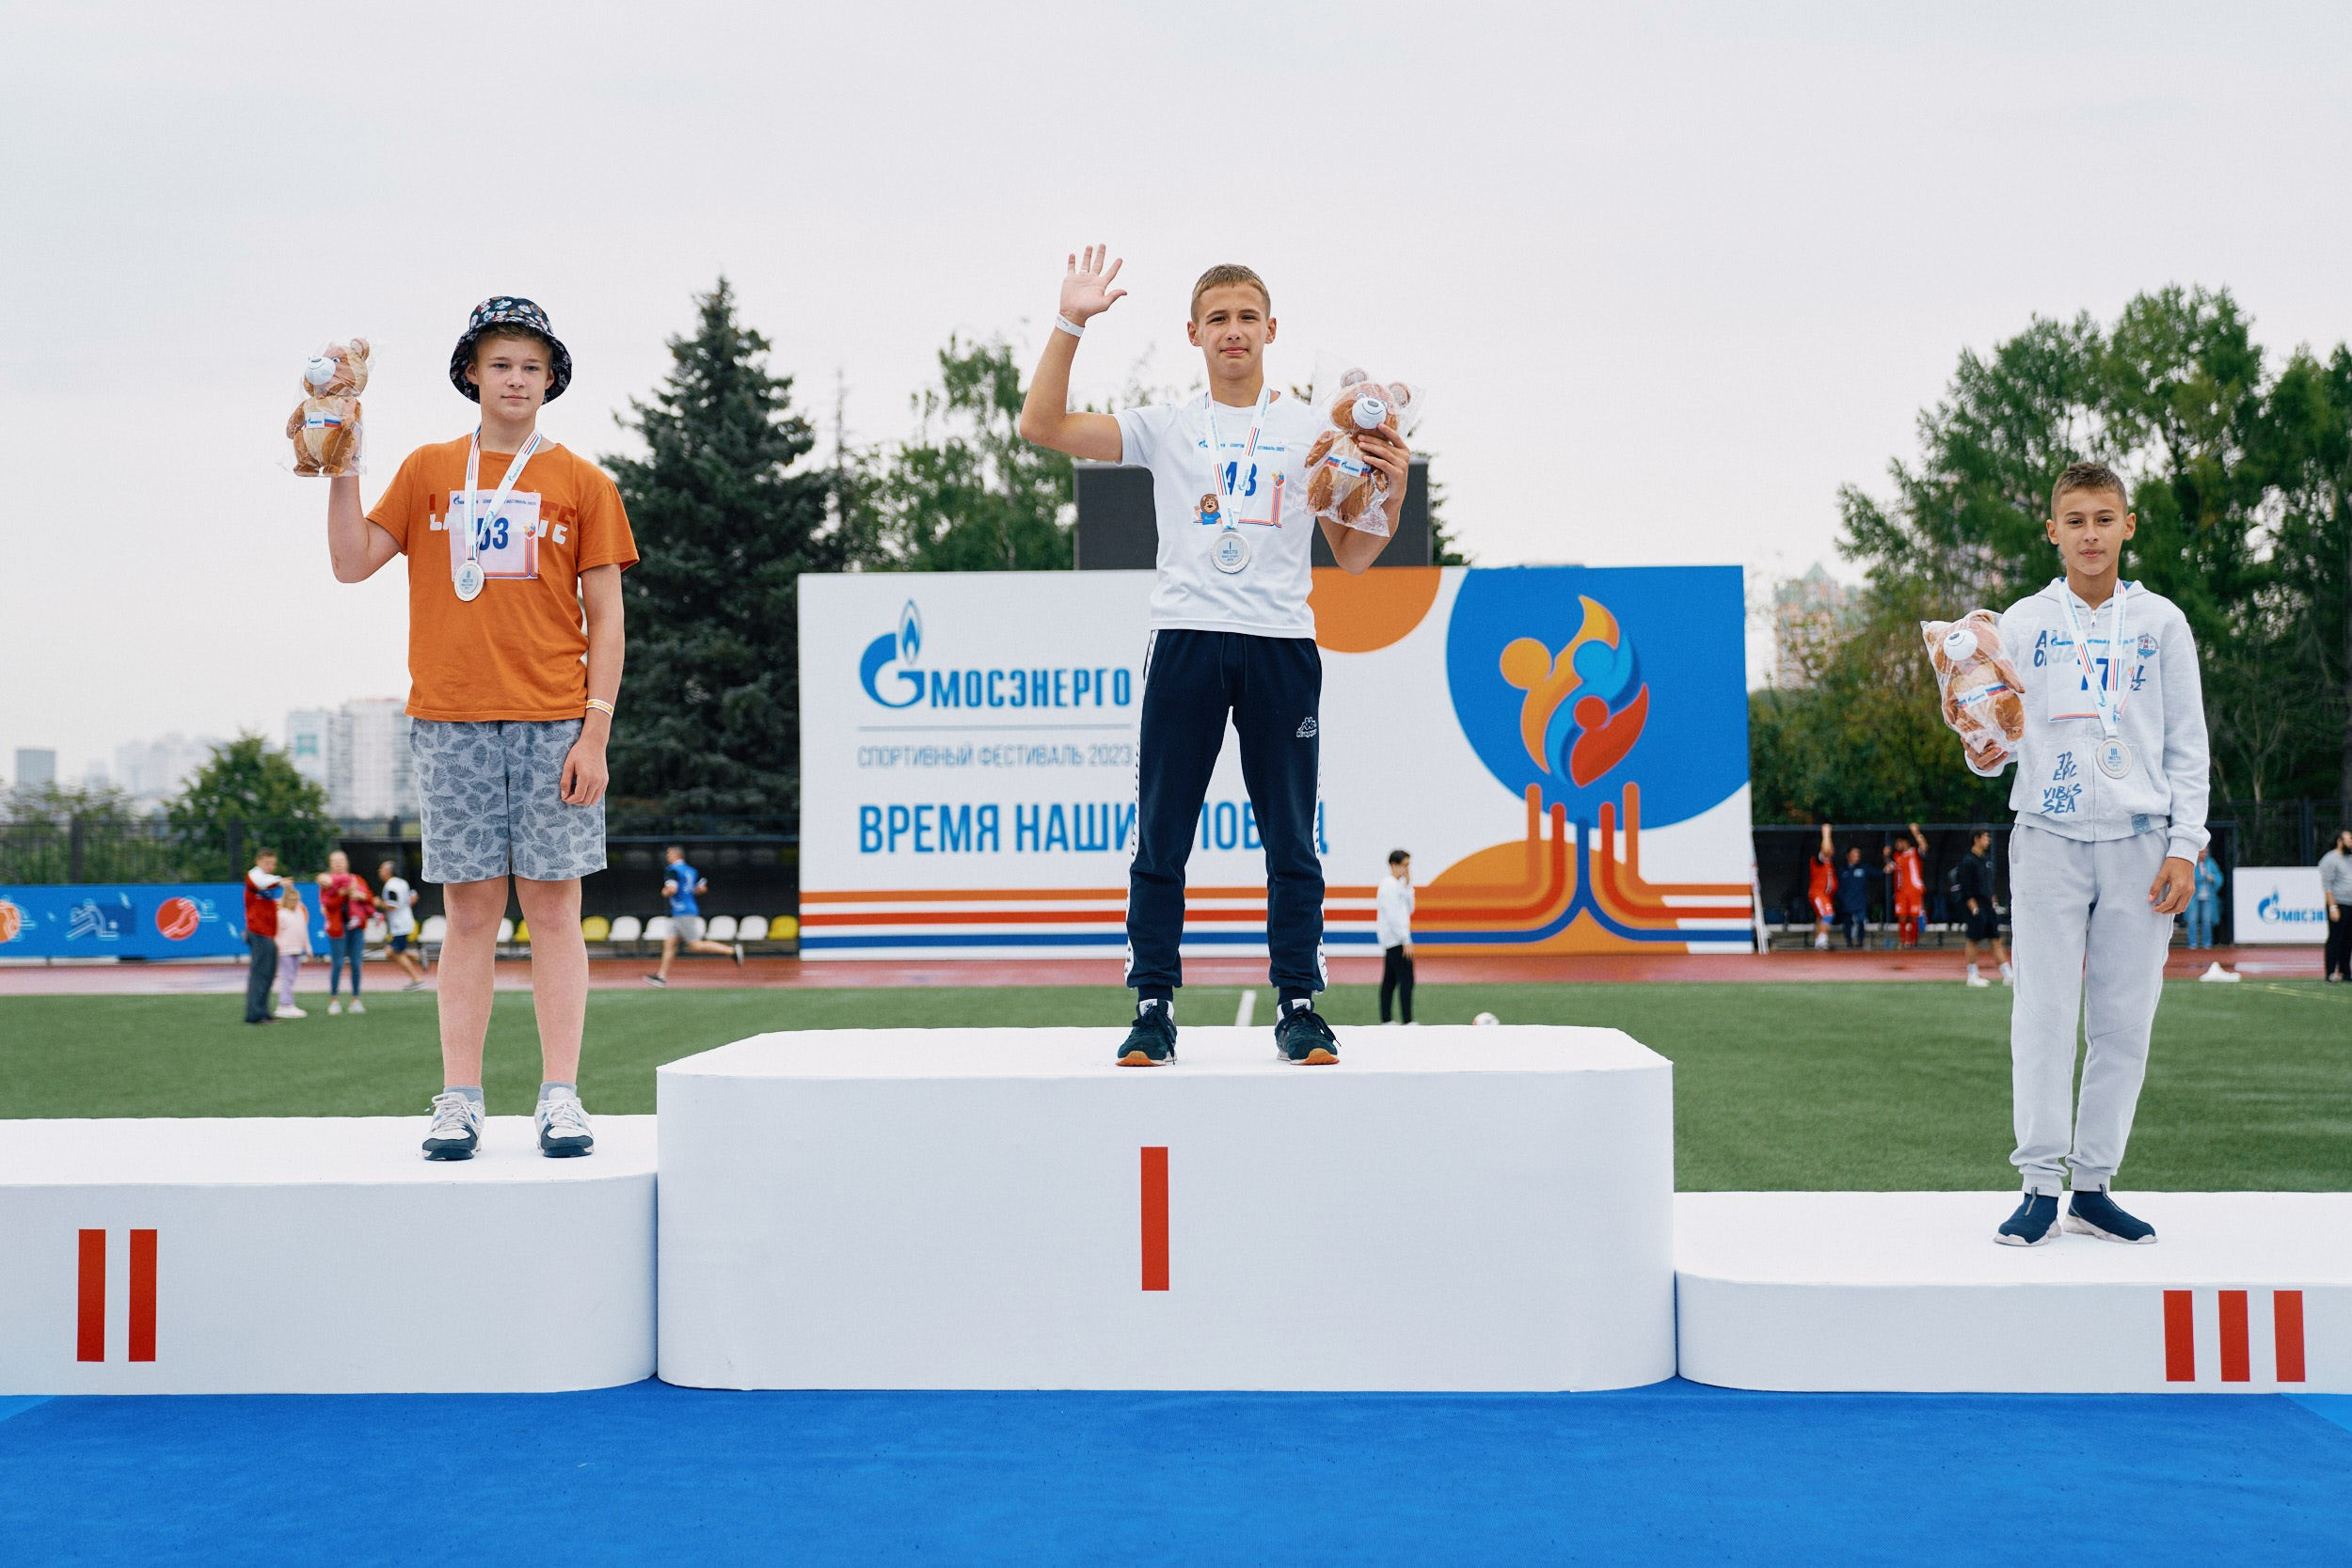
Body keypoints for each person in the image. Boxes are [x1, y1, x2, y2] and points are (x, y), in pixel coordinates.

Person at [1018, 248, 1407, 1068]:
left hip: (1281, 645)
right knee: (1162, 835)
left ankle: (1299, 1005)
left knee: (1291, 840)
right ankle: (1152, 1007)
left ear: (1272, 329)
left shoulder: (1314, 430)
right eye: (1219, 318)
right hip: (1186, 638)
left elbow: (1352, 554)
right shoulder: (1166, 425)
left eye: (1248, 317)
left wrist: (1392, 491)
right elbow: (1041, 426)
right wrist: (1069, 321)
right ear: (1193, 333)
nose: (1235, 330)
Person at [325, 296, 637, 1160]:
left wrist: (596, 732)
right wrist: (341, 463)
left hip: (554, 722)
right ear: (471, 373)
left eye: (532, 366)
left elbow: (608, 619)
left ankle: (561, 1094)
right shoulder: (429, 469)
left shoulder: (583, 482)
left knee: (555, 910)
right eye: (500, 363)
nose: (516, 379)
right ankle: (459, 1099)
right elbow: (350, 562)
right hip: (450, 719)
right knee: (468, 916)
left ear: (552, 379)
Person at [1964, 461, 2209, 1248]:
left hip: (2141, 840)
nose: (2091, 534)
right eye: (2076, 520)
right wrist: (1977, 740)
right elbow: (1997, 742)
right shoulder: (2021, 623)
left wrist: (2185, 843)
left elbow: (2187, 743)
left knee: (2124, 1020)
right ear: (2053, 531)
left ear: (2128, 526)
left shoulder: (2161, 622)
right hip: (2047, 834)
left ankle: (2094, 1185)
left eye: (2105, 518)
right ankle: (2040, 1183)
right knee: (2041, 1012)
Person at [644, 845, 744, 987]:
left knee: (695, 945)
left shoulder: (672, 870)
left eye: (669, 854)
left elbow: (672, 889)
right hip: (685, 910)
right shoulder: (691, 870)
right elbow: (702, 888)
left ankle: (732, 951)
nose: (667, 856)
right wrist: (689, 892)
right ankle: (661, 977)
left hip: (682, 912)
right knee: (669, 944)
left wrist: (664, 892)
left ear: (676, 854)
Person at [1954, 829, 2011, 988]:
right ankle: (1972, 975)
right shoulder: (1967, 861)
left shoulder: (1985, 860)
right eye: (1986, 837)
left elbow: (1988, 885)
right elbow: (1965, 889)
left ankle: (2007, 974)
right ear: (1976, 839)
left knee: (1996, 939)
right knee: (1973, 939)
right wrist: (1974, 909)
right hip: (1976, 906)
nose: (1989, 840)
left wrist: (1993, 902)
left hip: (1988, 906)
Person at [316, 850, 370, 1015]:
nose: (338, 864)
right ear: (330, 864)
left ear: (347, 863)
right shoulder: (327, 883)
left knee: (356, 963)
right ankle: (334, 1000)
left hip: (356, 927)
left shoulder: (356, 879)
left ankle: (355, 999)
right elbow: (328, 905)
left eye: (341, 860)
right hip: (337, 928)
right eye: (335, 861)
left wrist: (359, 895)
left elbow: (369, 898)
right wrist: (342, 894)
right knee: (338, 964)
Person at [242, 848, 286, 1025]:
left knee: (268, 973)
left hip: (267, 933)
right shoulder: (254, 876)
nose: (271, 867)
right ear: (258, 861)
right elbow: (261, 882)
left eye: (273, 864)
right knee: (260, 973)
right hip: (258, 932)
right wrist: (280, 880)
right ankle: (255, 1014)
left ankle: (263, 1011)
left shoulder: (267, 881)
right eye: (267, 863)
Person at [376, 859, 429, 990]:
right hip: (406, 921)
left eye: (382, 869)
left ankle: (417, 980)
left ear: (388, 871)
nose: (379, 871)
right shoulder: (402, 882)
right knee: (392, 952)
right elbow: (414, 896)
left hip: (399, 925)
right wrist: (405, 906)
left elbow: (392, 905)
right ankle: (417, 956)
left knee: (393, 952)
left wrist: (378, 903)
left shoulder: (390, 886)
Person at [1376, 848, 1415, 1024]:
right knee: (1406, 979)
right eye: (1404, 865)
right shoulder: (1388, 886)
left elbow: (1409, 909)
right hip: (1395, 939)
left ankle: (1387, 1020)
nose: (1407, 869)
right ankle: (1407, 1020)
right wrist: (1405, 939)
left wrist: (1408, 885)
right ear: (1393, 865)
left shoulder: (1398, 885)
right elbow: (1393, 916)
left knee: (1390, 979)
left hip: (1396, 938)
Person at [272, 880, 312, 1020]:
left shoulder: (299, 913)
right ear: (286, 900)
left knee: (292, 977)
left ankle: (288, 1003)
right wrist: (278, 948)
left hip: (296, 950)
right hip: (285, 951)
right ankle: (284, 1005)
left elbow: (304, 931)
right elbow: (276, 934)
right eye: (291, 900)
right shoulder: (281, 914)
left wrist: (308, 948)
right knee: (286, 977)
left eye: (296, 900)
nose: (294, 902)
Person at [1885, 824, 1928, 949]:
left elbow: (1924, 847)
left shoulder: (1915, 852)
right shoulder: (1896, 856)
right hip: (1901, 892)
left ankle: (1913, 941)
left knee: (1914, 917)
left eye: (1898, 842)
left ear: (1905, 842)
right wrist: (1885, 856)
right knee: (1902, 917)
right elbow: (1889, 868)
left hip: (1914, 890)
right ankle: (1905, 942)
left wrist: (1916, 833)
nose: (1896, 845)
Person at [2321, 828, 2352, 982]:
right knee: (2335, 938)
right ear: (2340, 841)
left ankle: (2346, 972)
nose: (2351, 842)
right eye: (2349, 839)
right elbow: (2327, 885)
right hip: (2338, 903)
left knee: (2348, 939)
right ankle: (2330, 972)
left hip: (2350, 903)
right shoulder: (2330, 859)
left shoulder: (2349, 858)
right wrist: (2332, 906)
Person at [1835, 845, 1873, 949]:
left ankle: (1860, 942)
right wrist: (1842, 898)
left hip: (1860, 902)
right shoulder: (1842, 870)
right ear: (1848, 856)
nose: (1857, 856)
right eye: (1854, 854)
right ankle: (1849, 942)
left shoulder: (1863, 868)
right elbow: (1837, 887)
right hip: (1847, 903)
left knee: (1861, 921)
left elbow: (1878, 873)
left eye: (1858, 854)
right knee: (1847, 923)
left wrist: (1886, 866)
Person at [2185, 848, 2223, 951]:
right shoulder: (2191, 863)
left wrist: (2213, 878)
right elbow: (2188, 877)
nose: (2203, 854)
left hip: (2208, 897)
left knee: (2207, 920)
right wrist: (2203, 877)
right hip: (2193, 896)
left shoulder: (2211, 863)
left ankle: (2206, 943)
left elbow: (2219, 876)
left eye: (2205, 852)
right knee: (2192, 919)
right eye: (2201, 852)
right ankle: (2192, 943)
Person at [1807, 826, 1836, 950]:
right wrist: (1826, 834)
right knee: (1828, 915)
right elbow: (1826, 851)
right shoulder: (1819, 859)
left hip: (1825, 895)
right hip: (1818, 893)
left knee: (1821, 916)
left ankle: (1819, 941)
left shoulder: (1828, 863)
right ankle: (1822, 941)